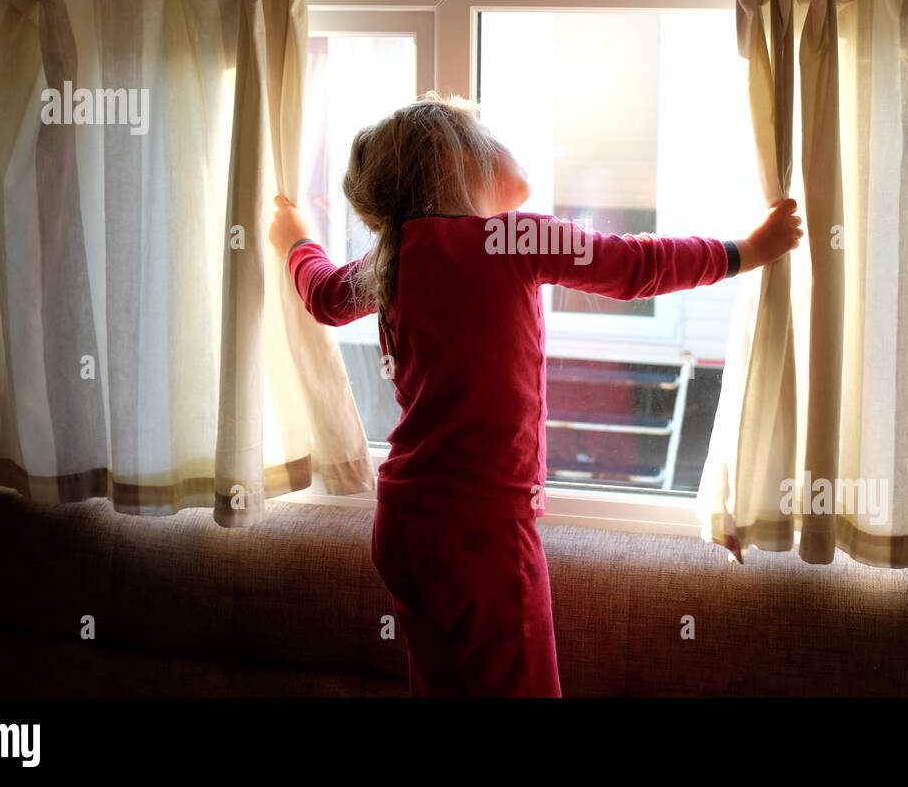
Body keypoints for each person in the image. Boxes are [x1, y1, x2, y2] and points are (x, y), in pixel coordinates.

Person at [268, 91, 802, 697]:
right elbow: (634, 266)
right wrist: (749, 251)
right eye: (487, 135)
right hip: (482, 529)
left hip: (403, 526)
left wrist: (293, 241)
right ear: (453, 160)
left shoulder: (395, 260)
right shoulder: (512, 242)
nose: (506, 146)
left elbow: (322, 295)